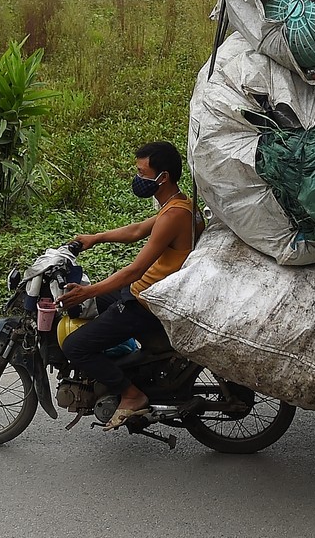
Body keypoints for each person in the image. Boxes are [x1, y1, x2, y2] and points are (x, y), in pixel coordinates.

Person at [57, 140, 201, 430]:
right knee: (97, 302)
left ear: (163, 177)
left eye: (142, 173)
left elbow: (135, 270)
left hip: (145, 302)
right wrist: (95, 238)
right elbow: (136, 230)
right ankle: (121, 367)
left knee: (75, 347)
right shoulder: (177, 204)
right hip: (144, 291)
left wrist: (89, 290)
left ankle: (131, 394)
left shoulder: (174, 215)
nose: (138, 179)